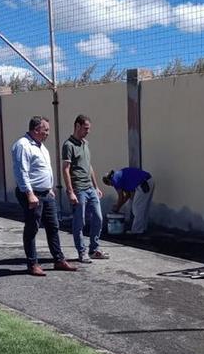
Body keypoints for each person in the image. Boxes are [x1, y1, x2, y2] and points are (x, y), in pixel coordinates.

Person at [11, 116, 77, 276]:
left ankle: (58, 260)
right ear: (36, 130)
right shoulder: (23, 145)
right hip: (32, 194)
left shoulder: (41, 147)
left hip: (46, 194)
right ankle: (32, 263)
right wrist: (30, 194)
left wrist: (49, 188)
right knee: (32, 228)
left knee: (53, 226)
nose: (48, 133)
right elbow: (21, 172)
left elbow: (42, 170)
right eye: (45, 129)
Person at [62, 114, 108, 263]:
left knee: (98, 218)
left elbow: (89, 166)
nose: (88, 131)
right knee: (79, 221)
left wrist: (96, 187)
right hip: (78, 189)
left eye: (89, 129)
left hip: (90, 188)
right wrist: (70, 191)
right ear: (77, 126)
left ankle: (94, 249)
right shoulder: (68, 145)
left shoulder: (85, 143)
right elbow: (66, 169)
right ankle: (81, 252)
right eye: (85, 128)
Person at [101, 167, 154, 234]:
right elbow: (128, 195)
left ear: (109, 181)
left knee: (137, 208)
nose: (112, 186)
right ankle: (143, 228)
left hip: (143, 184)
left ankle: (136, 230)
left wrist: (117, 208)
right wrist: (119, 205)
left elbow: (121, 197)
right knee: (143, 208)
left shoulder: (115, 180)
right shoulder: (119, 175)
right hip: (149, 181)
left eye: (110, 184)